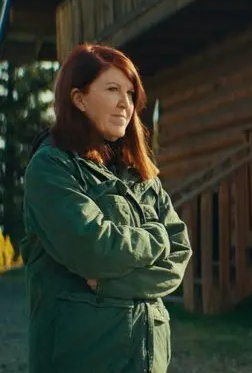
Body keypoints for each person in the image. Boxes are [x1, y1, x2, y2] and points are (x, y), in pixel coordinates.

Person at [21, 44, 193, 373]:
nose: (125, 104)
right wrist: (157, 238)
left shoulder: (141, 176)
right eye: (112, 89)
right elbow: (93, 248)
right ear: (79, 99)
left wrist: (108, 285)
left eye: (130, 93)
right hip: (83, 358)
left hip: (146, 361)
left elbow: (179, 254)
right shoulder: (51, 168)